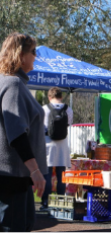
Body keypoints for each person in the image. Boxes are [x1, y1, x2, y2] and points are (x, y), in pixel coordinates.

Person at [0, 33, 47, 231]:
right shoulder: (13, 85)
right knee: (15, 226)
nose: (36, 56)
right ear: (21, 54)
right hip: (14, 177)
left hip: (10, 177)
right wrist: (35, 171)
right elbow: (17, 134)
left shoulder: (5, 82)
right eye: (34, 51)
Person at [41, 87, 73, 210]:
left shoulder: (45, 109)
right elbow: (69, 124)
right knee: (61, 176)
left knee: (47, 175)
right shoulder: (68, 109)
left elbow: (42, 127)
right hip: (63, 144)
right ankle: (60, 203)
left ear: (50, 97)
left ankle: (46, 203)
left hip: (48, 143)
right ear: (61, 96)